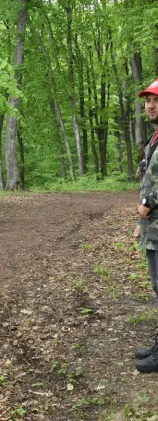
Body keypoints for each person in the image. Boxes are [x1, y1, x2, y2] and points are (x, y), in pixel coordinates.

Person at [134, 78, 158, 373]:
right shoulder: (154, 139)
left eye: (155, 101)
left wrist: (150, 202)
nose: (150, 106)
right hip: (153, 228)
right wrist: (141, 220)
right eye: (147, 101)